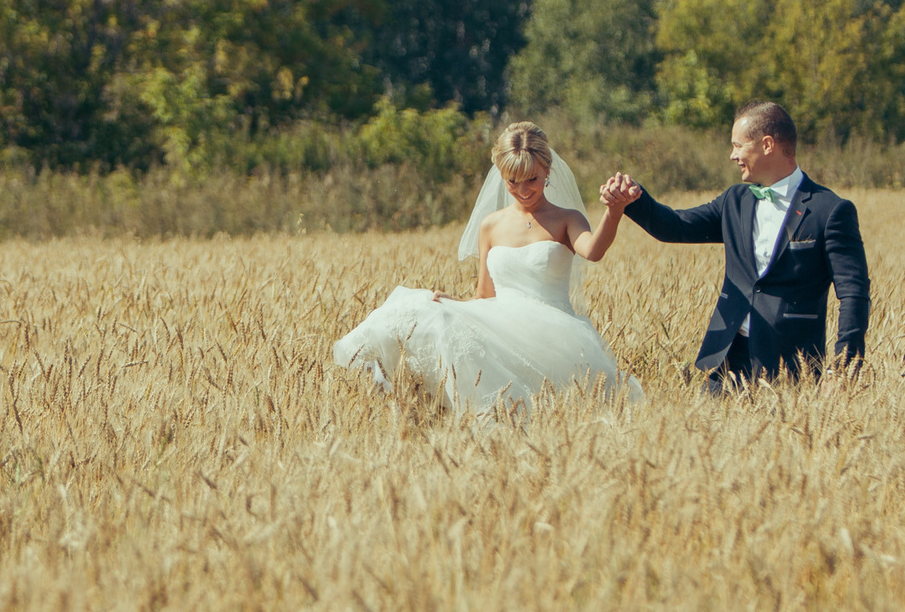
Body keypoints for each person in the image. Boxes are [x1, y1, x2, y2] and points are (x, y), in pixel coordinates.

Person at [333, 121, 641, 415]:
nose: (522, 189)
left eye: (532, 179)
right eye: (512, 181)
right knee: (417, 309)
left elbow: (593, 251)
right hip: (499, 321)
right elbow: (484, 295)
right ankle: (403, 408)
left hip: (550, 332)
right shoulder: (491, 225)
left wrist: (614, 212)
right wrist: (453, 303)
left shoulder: (567, 219)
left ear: (547, 170)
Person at [602, 100, 869, 388]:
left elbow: (853, 293)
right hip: (726, 361)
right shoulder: (734, 201)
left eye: (738, 146)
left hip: (792, 368)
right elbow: (674, 226)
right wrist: (633, 199)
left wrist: (842, 368)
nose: (733, 155)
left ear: (767, 145)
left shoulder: (830, 210)